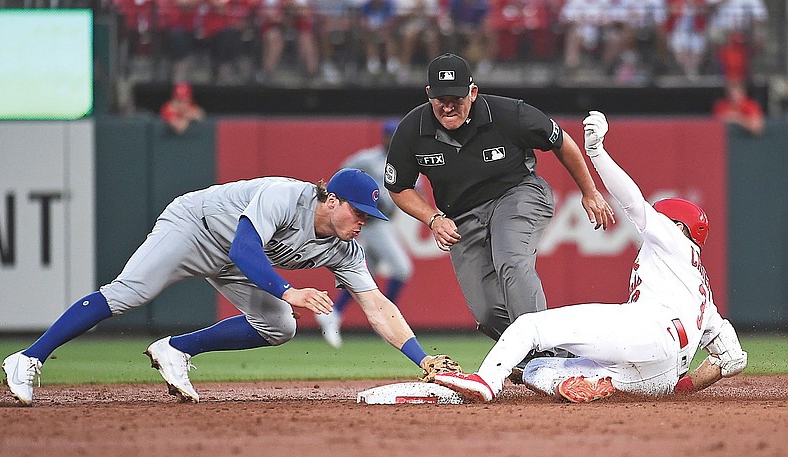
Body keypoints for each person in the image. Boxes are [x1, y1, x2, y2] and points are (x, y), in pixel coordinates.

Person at [1, 169, 460, 406]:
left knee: (280, 327)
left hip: (241, 260)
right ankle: (27, 358)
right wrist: (289, 292)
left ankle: (176, 350)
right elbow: (244, 250)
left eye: (368, 218)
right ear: (333, 199)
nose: (363, 223)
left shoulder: (345, 249)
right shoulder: (285, 196)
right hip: (195, 228)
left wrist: (423, 360)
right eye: (358, 213)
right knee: (129, 293)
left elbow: (377, 305)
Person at [434, 111, 747, 403]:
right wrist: (678, 388)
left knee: (529, 327)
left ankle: (486, 381)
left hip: (648, 331)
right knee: (535, 368)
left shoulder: (673, 242)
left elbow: (633, 203)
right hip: (658, 377)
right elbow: (733, 358)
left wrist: (597, 152)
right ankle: (581, 384)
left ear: (678, 226)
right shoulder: (698, 286)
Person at [384, 53, 615, 369]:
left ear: (473, 92)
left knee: (511, 260)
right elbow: (398, 187)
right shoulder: (413, 130)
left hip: (518, 193)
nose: (448, 106)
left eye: (456, 98)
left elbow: (562, 142)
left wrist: (589, 192)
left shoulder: (509, 113)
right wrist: (432, 218)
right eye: (440, 99)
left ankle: (546, 359)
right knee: (487, 313)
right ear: (429, 95)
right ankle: (543, 359)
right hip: (462, 216)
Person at [315, 120, 414, 347]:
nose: (391, 139)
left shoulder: (409, 162)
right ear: (383, 136)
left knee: (363, 275)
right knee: (401, 268)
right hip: (370, 223)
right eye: (389, 135)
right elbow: (343, 174)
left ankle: (333, 313)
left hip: (385, 220)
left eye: (395, 135)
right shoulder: (368, 158)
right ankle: (387, 319)